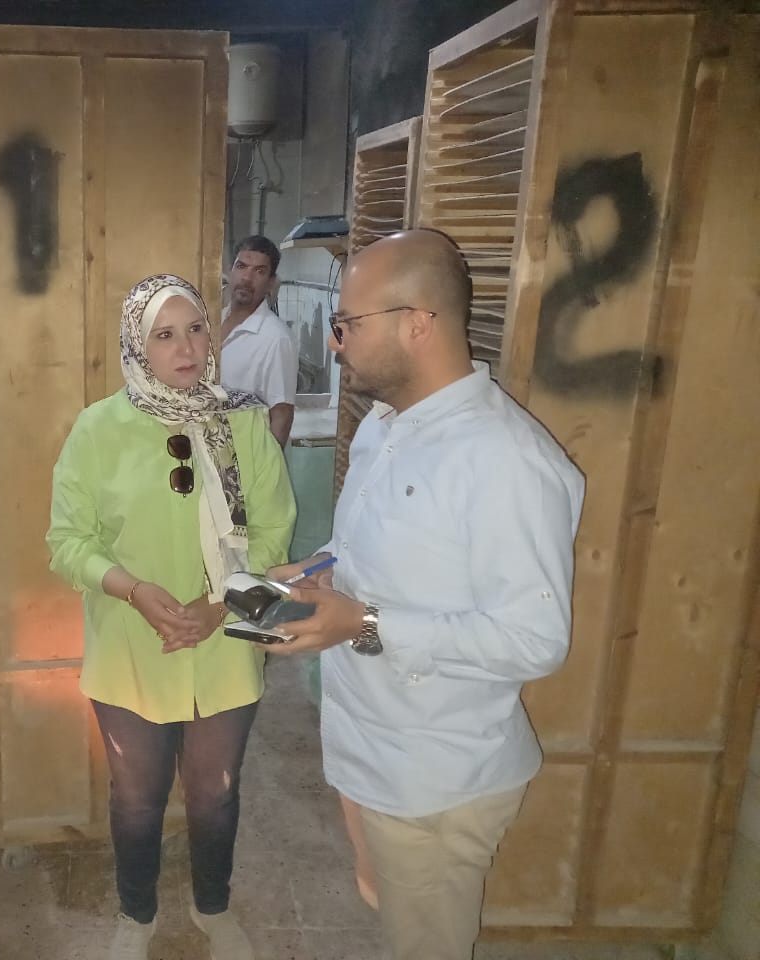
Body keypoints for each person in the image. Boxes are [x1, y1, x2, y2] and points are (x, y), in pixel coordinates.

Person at [265, 229, 585, 960]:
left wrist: (363, 621)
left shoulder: (504, 460)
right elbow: (371, 549)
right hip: (367, 747)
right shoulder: (385, 427)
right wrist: (318, 570)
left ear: (417, 323)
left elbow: (535, 640)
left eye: (348, 323)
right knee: (389, 914)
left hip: (434, 778)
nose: (336, 342)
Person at [47, 274, 296, 960]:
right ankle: (137, 914)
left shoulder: (243, 422)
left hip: (226, 641)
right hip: (133, 647)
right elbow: (67, 542)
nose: (186, 348)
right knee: (136, 798)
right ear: (138, 346)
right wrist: (132, 590)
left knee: (215, 794)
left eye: (195, 330)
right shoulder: (99, 429)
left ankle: (213, 907)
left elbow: (275, 533)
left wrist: (220, 605)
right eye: (164, 335)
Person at [220, 236, 298, 448]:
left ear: (271, 282)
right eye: (241, 266)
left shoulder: (276, 338)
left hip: (247, 454)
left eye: (259, 271)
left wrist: (270, 466)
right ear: (230, 271)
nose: (247, 277)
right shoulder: (211, 322)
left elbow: (282, 416)